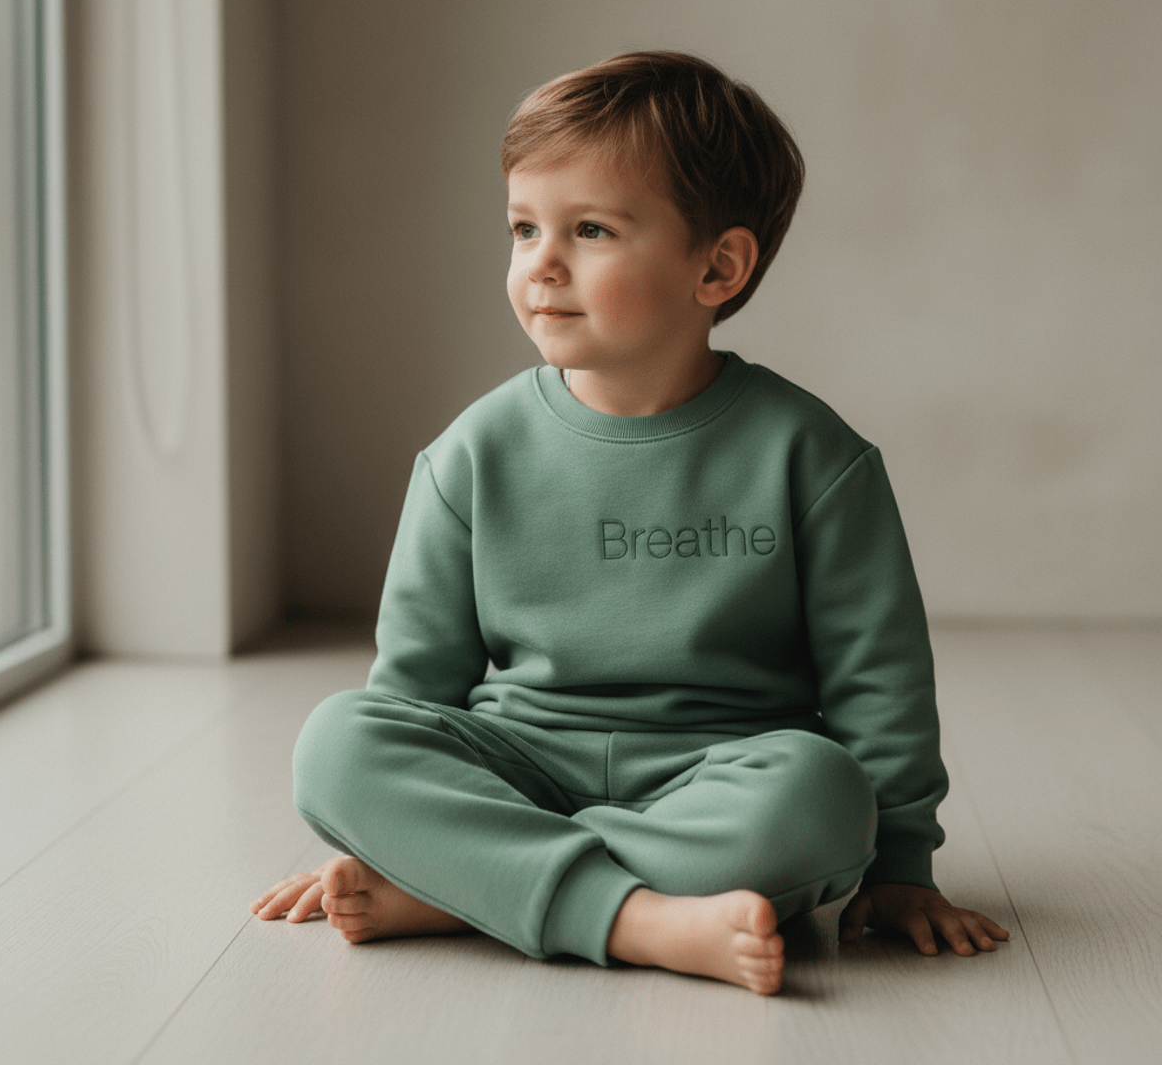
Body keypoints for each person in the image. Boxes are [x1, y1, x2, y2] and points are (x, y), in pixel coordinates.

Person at [251, 51, 1008, 995]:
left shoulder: (811, 457)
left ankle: (471, 887)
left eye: (592, 230)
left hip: (719, 773)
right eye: (524, 228)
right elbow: (413, 691)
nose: (542, 264)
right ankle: (644, 920)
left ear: (718, 266)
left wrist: (899, 867)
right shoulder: (472, 453)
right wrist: (376, 812)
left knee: (823, 795)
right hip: (520, 760)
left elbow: (879, 677)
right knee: (336, 739)